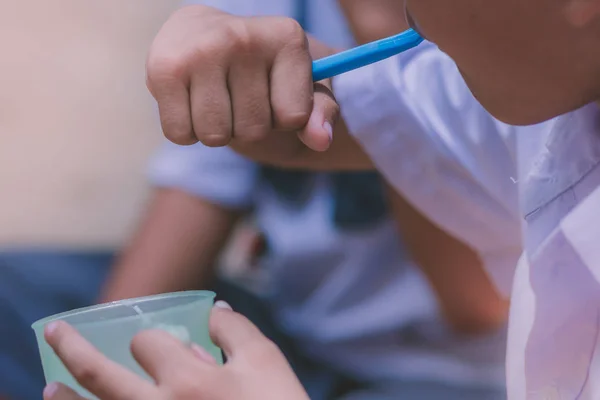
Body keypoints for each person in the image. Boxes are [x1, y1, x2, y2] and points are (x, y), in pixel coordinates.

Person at [43, 0, 600, 397]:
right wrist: (223, 56)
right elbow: (360, 123)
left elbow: (471, 308)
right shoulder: (541, 87)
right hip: (298, 328)